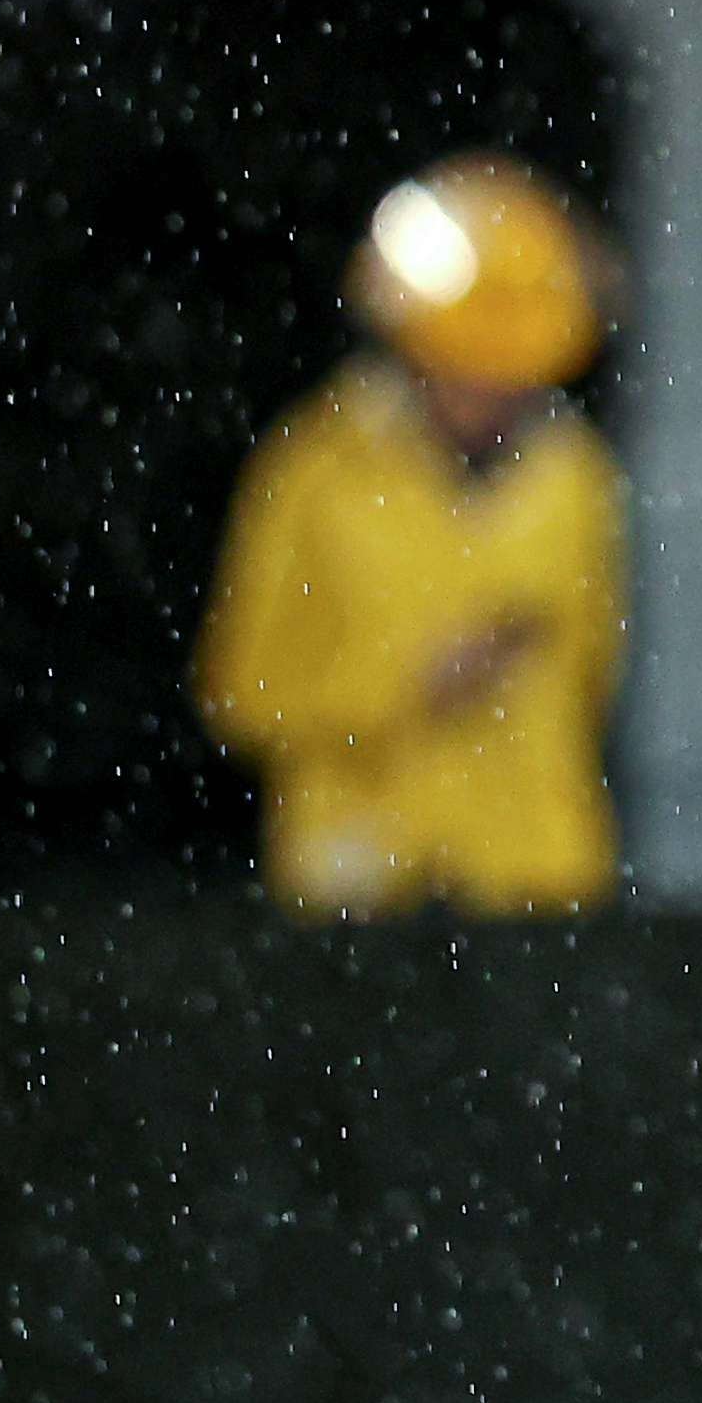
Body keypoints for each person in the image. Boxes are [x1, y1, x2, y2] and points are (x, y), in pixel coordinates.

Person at [196, 154, 629, 920]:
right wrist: (402, 691)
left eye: (514, 371)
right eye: (464, 365)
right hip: (354, 887)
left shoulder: (576, 482)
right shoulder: (317, 471)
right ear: (410, 346)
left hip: (533, 889)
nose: (488, 394)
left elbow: (593, 679)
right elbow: (241, 692)